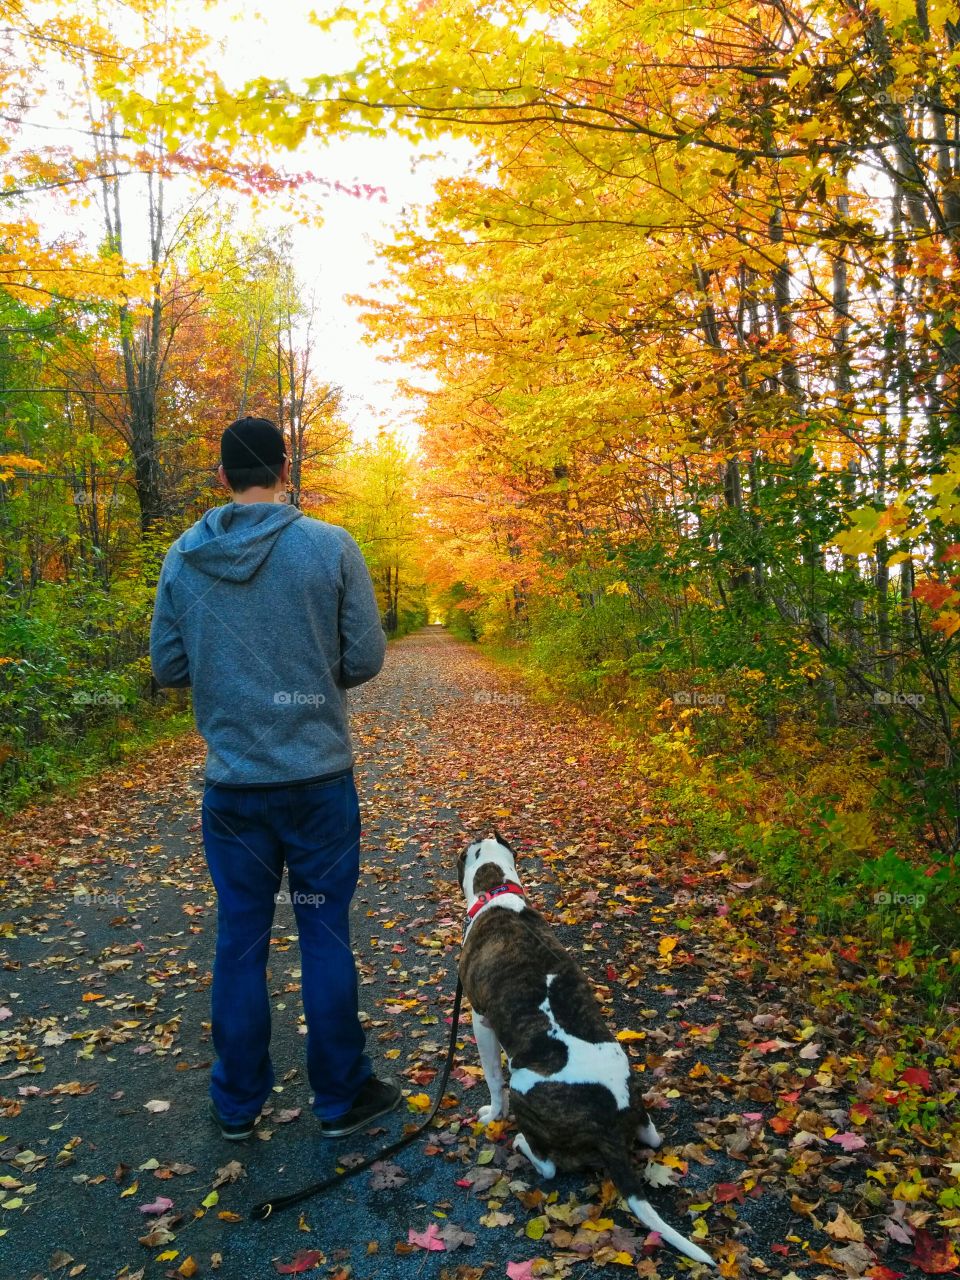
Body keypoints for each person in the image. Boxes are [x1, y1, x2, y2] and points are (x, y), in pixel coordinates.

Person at [150, 415, 397, 1140]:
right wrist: (314, 678)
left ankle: (236, 1105)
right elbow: (366, 658)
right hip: (318, 780)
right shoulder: (329, 545)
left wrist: (229, 683)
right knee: (324, 931)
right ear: (284, 471)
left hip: (233, 791)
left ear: (222, 478)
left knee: (240, 940)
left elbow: (168, 668)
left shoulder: (184, 558)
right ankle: (341, 1097)